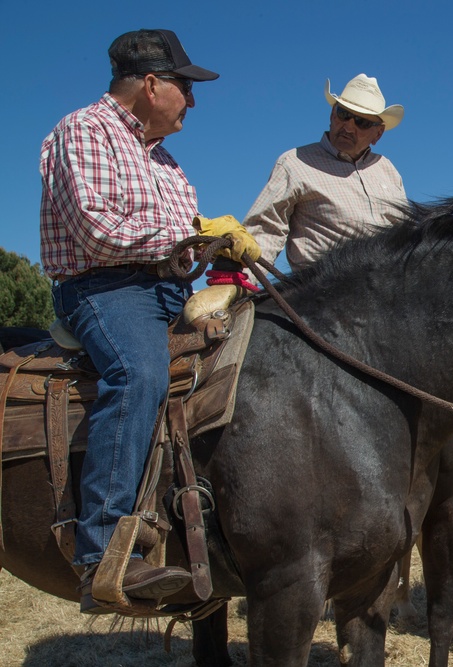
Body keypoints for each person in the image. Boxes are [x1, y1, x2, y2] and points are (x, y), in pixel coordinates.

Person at [40, 29, 258, 613]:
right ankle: (104, 554)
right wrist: (192, 236)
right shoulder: (83, 130)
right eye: (187, 88)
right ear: (153, 83)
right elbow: (97, 230)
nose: (193, 100)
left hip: (164, 289)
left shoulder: (165, 159)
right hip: (102, 287)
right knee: (139, 374)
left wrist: (221, 250)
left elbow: (184, 240)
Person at [243, 74, 407, 272]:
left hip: (388, 291)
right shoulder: (294, 163)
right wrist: (238, 283)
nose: (348, 126)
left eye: (361, 122)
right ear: (332, 115)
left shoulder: (387, 169)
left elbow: (405, 236)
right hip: (323, 294)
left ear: (378, 134)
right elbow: (266, 231)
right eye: (343, 114)